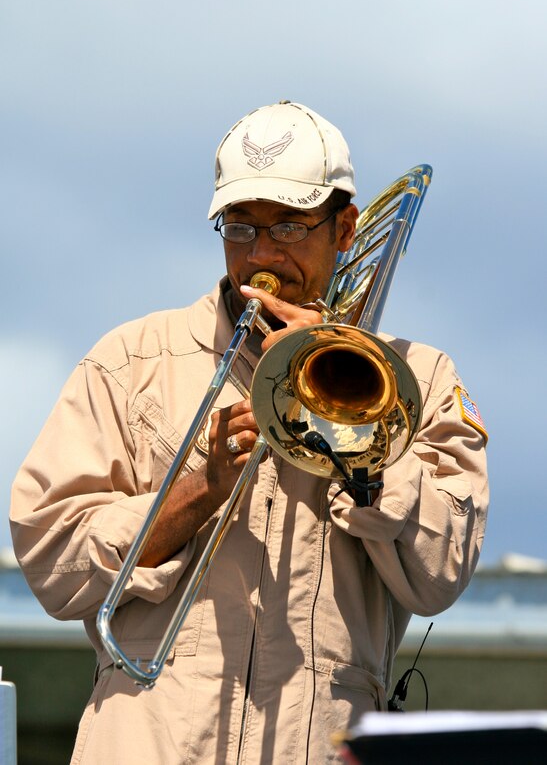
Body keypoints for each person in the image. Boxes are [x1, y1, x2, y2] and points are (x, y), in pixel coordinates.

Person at [10, 101, 489, 764]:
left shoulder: (418, 379)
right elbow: (51, 567)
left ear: (345, 228)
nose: (260, 256)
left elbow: (440, 576)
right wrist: (198, 491)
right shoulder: (128, 361)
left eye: (289, 228)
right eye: (239, 227)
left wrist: (359, 435)